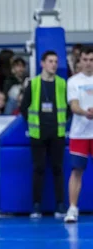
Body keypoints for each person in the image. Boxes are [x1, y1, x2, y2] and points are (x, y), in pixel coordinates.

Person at [19, 50, 68, 219]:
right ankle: (36, 205)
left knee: (58, 169)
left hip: (57, 132)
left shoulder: (62, 84)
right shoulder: (33, 84)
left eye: (56, 61)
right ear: (42, 63)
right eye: (50, 61)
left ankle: (61, 205)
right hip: (38, 133)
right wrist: (33, 123)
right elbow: (24, 107)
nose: (53, 64)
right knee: (38, 169)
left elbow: (67, 108)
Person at [65, 46, 93, 223]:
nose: (88, 63)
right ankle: (73, 208)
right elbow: (73, 106)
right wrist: (86, 112)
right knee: (77, 171)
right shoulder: (73, 81)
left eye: (91, 60)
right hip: (79, 134)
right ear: (80, 61)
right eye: (85, 60)